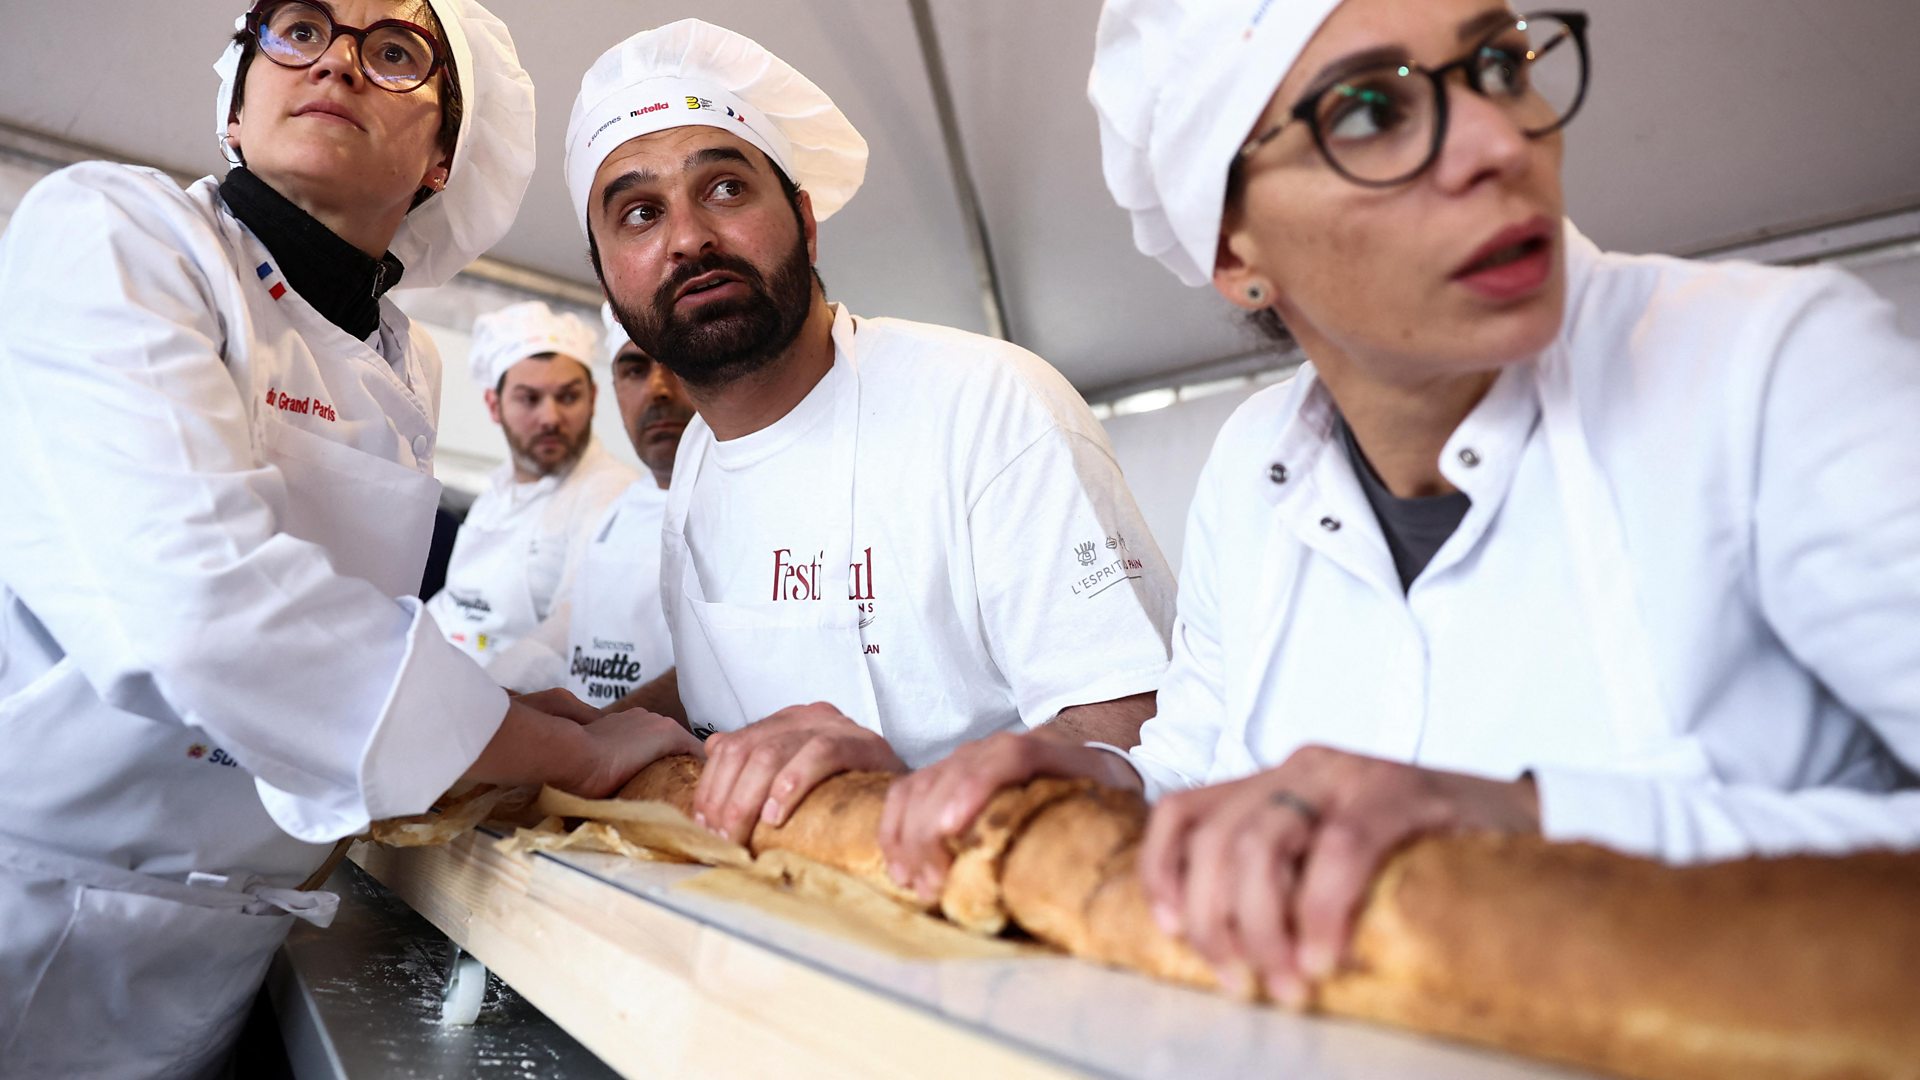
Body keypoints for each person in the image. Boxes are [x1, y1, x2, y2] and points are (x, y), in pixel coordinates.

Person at [886, 0, 1920, 1003]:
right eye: (1372, 113)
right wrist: (1072, 776)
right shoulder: (1253, 469)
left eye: (1499, 66)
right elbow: (1196, 785)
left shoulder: (1769, 371)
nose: (1497, 144)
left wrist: (1527, 820)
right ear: (1234, 253)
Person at [0, 3, 696, 1075]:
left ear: (441, 161)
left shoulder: (401, 360)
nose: (335, 60)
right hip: (38, 906)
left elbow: (355, 620)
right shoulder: (118, 231)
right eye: (300, 27)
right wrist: (564, 747)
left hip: (225, 939)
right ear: (236, 102)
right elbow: (206, 610)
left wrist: (501, 720)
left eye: (395, 52)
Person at [564, 20, 1176, 868]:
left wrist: (909, 786)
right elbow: (726, 673)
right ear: (606, 277)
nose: (689, 237)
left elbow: (1142, 734)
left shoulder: (988, 404)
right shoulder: (700, 457)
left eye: (728, 189)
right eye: (639, 213)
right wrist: (593, 728)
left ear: (806, 224)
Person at [487, 304, 695, 704]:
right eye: (635, 369)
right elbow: (569, 633)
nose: (658, 388)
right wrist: (489, 701)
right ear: (614, 388)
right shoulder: (622, 507)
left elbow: (719, 670)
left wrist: (597, 735)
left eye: (677, 363)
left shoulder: (741, 508)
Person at [424, 299, 637, 663]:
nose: (550, 418)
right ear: (495, 405)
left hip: (518, 705)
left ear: (593, 399)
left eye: (568, 397)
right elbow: (455, 608)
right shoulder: (494, 496)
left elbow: (570, 633)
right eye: (530, 399)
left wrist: (476, 698)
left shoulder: (614, 498)